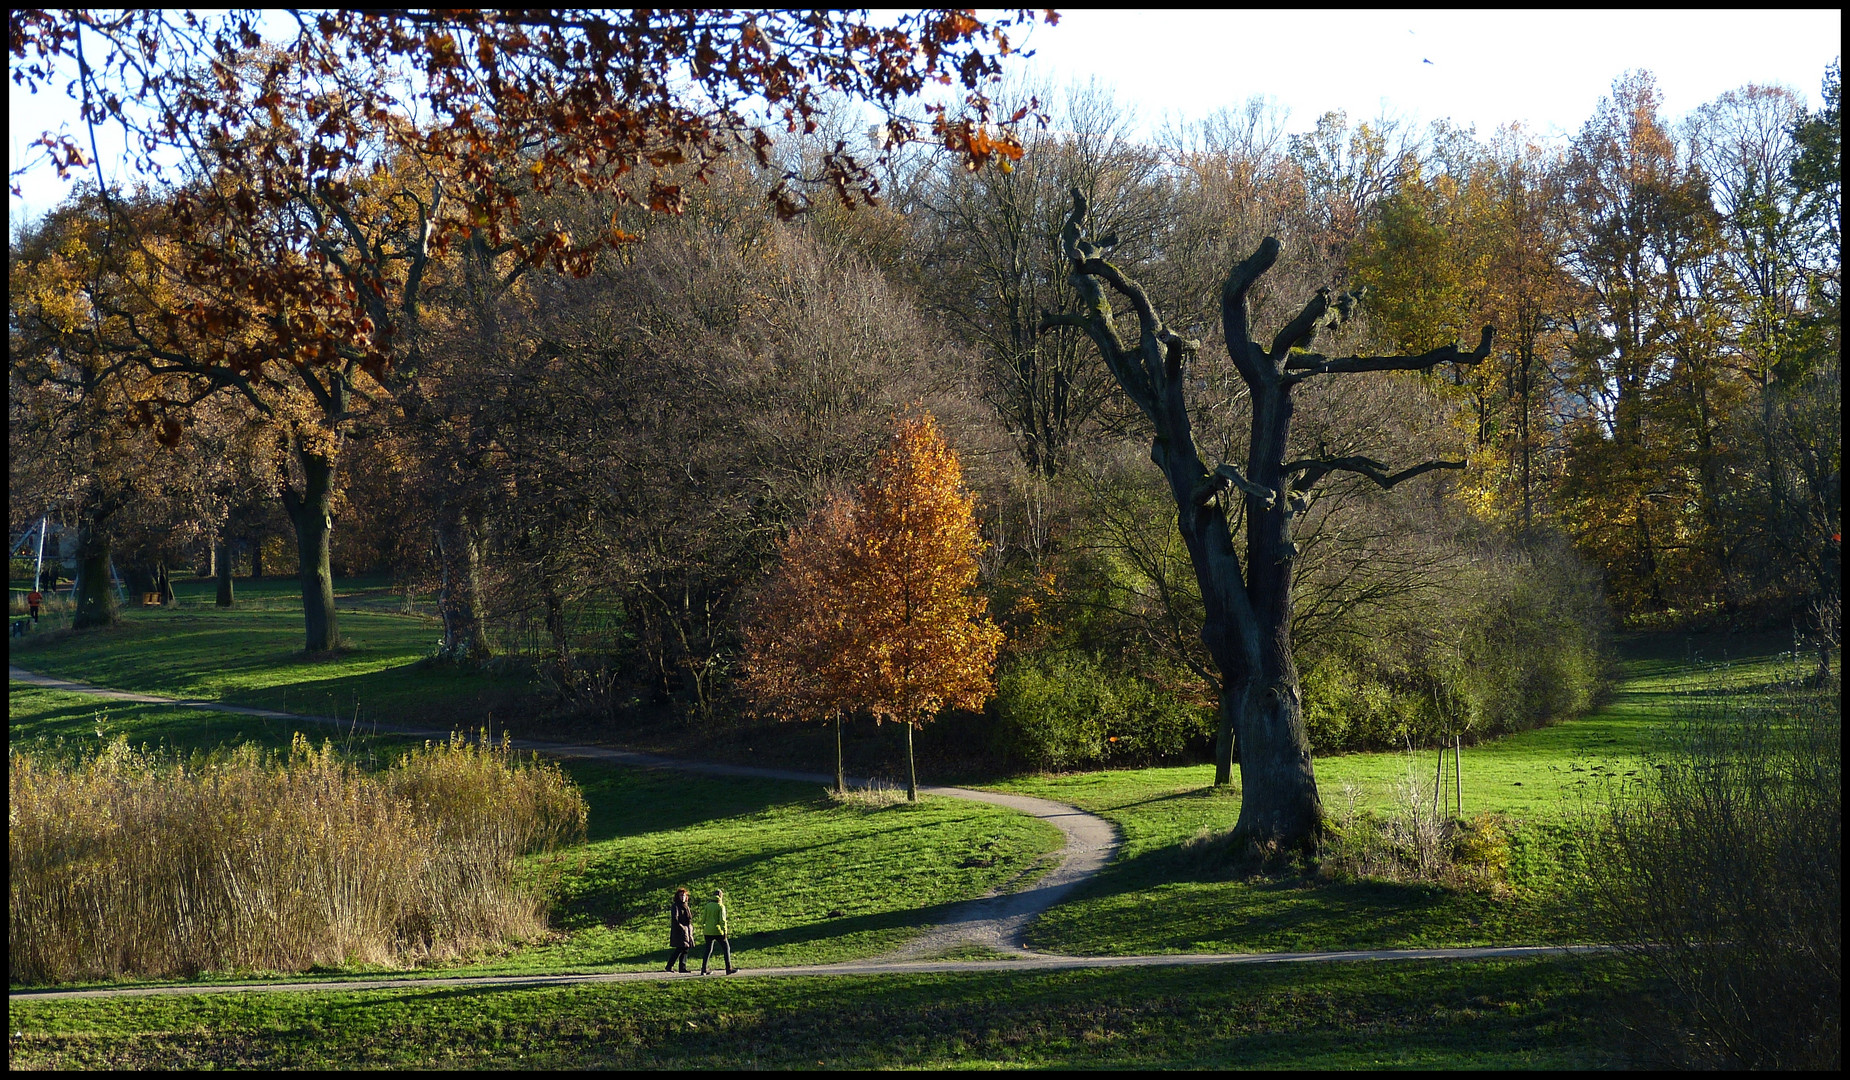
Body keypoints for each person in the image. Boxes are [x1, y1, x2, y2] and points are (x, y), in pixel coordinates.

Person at [699, 888, 737, 975]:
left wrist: (704, 927)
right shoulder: (721, 906)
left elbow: (703, 919)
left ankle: (703, 969)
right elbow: (722, 920)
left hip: (708, 931)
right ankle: (728, 968)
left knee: (708, 949)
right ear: (720, 896)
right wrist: (725, 931)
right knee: (726, 948)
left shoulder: (707, 906)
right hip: (718, 930)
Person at [664, 887, 695, 973]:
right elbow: (675, 919)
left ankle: (682, 967)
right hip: (680, 931)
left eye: (684, 895)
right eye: (681, 895)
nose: (683, 897)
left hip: (687, 931)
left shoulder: (686, 906)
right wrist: (681, 927)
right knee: (680, 949)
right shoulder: (676, 906)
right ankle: (669, 966)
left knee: (685, 949)